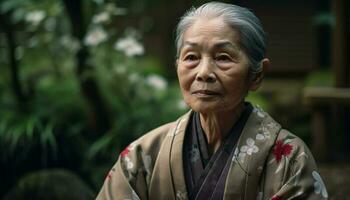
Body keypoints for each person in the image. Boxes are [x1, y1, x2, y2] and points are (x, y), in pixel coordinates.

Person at [96, 2, 328, 200]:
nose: (203, 72)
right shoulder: (142, 156)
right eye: (191, 57)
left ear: (256, 75)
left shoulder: (290, 160)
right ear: (177, 67)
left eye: (223, 57)